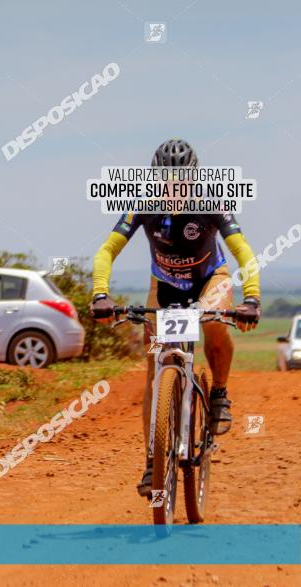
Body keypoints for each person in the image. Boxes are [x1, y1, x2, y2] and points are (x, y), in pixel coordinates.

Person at [89, 139, 261, 497]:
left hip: (208, 278)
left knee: (214, 320)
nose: (174, 186)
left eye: (181, 179)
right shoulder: (143, 206)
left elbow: (243, 251)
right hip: (164, 283)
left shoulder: (212, 204)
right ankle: (153, 460)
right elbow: (107, 250)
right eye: (166, 179)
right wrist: (101, 294)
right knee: (155, 365)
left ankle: (219, 394)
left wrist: (252, 299)